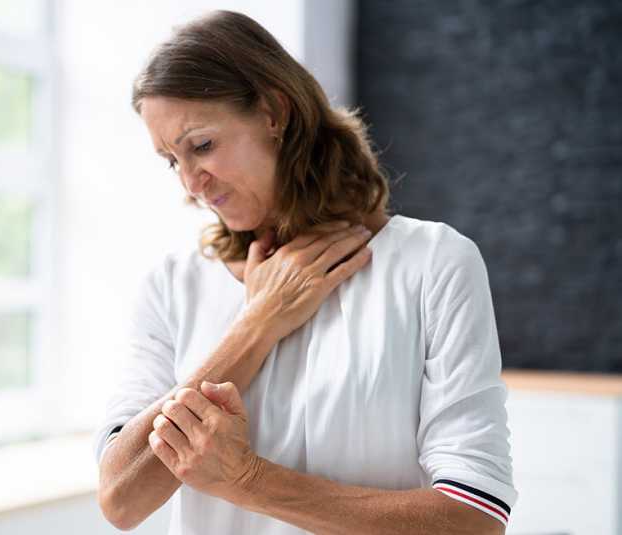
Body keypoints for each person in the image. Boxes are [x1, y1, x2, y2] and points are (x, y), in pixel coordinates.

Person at [94, 10, 516, 535]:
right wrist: (258, 324)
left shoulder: (432, 263)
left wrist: (246, 479)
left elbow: (473, 520)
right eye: (170, 160)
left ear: (274, 111)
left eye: (201, 146)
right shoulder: (172, 285)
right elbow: (121, 498)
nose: (190, 185)